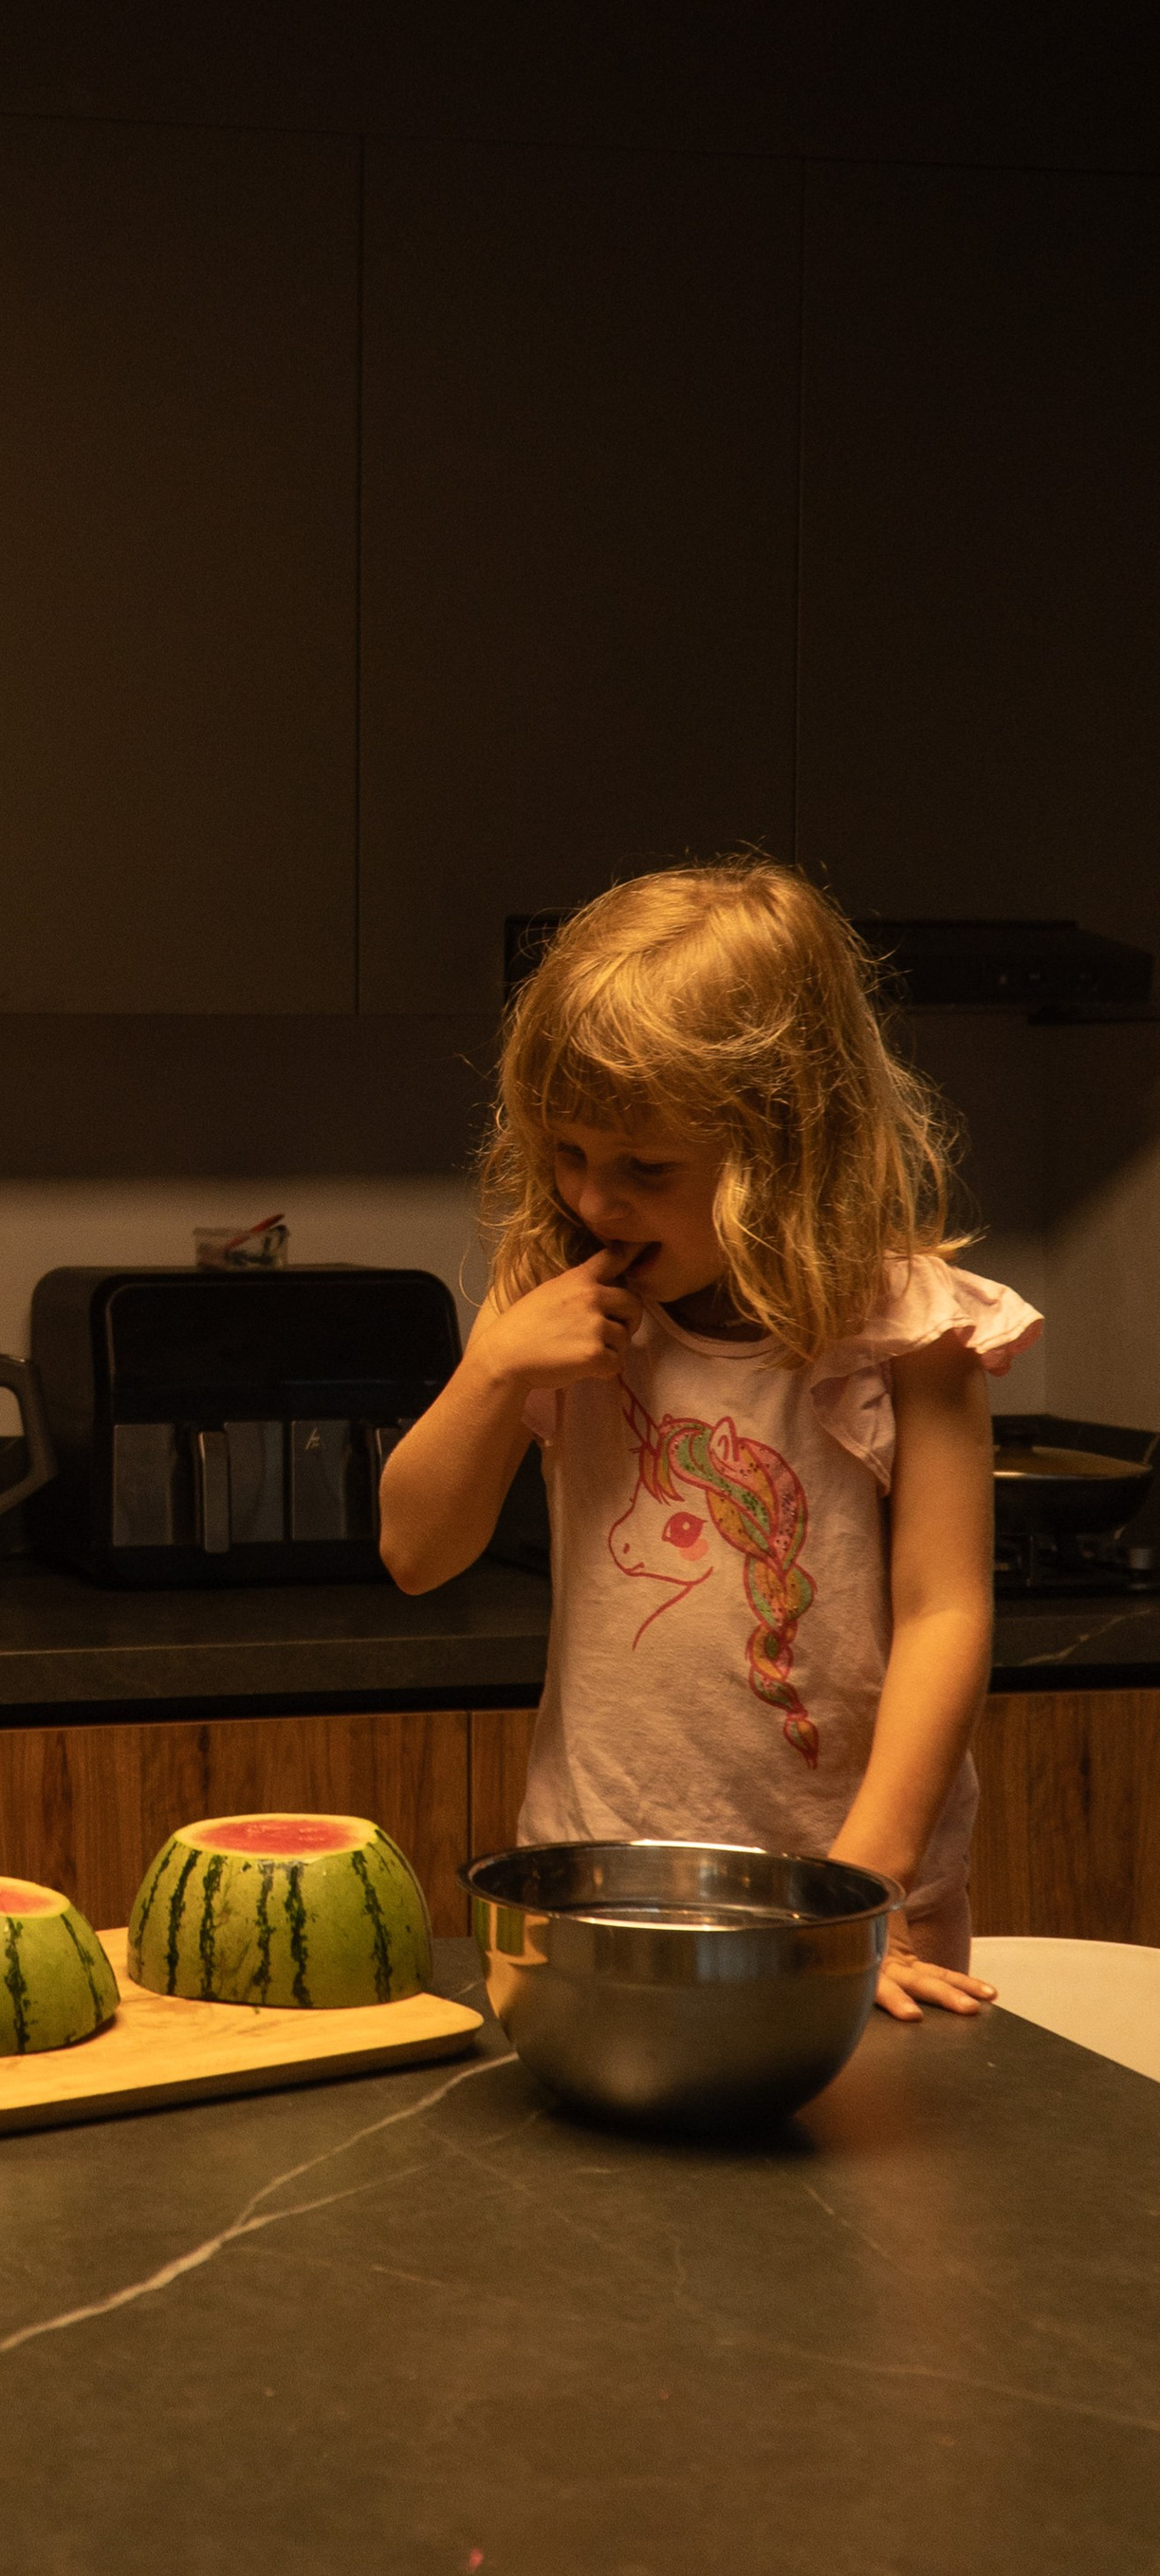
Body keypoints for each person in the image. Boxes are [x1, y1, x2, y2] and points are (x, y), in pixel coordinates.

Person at [380, 859, 1037, 2022]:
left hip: (861, 1905)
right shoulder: (548, 1300)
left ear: (790, 1150)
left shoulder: (905, 1333)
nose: (593, 1201)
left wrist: (860, 1894)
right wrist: (492, 1367)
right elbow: (415, 1552)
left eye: (648, 1169)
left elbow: (945, 1612)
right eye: (568, 1152)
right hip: (596, 1891)